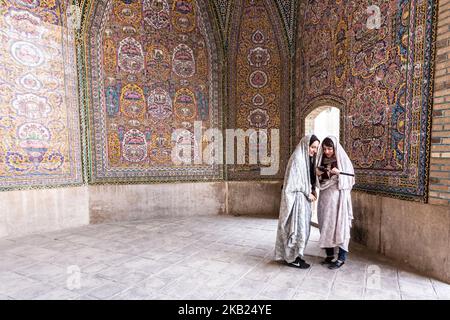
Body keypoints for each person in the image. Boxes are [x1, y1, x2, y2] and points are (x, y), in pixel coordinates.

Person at [275, 134, 320, 269]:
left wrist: (312, 190)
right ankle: (291, 258)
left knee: (303, 230)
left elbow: (307, 179)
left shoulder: (306, 160)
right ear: (305, 145)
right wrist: (307, 193)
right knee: (296, 230)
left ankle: (297, 256)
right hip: (296, 201)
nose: (314, 151)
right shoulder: (297, 159)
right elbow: (292, 183)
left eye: (316, 148)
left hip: (303, 201)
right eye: (312, 147)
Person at [316, 136, 355, 269]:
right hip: (324, 198)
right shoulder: (321, 158)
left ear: (335, 148)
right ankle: (329, 256)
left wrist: (339, 174)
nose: (327, 152)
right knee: (326, 225)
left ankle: (341, 258)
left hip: (338, 198)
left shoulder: (342, 159)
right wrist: (318, 174)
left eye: (330, 148)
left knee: (340, 226)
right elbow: (318, 180)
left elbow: (351, 180)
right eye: (325, 148)